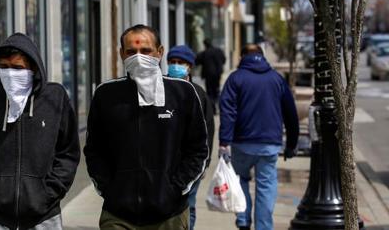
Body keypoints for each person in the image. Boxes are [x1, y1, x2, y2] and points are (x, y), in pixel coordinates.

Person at [85, 25, 209, 230]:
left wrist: (176, 187)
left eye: (146, 51)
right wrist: (109, 188)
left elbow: (198, 148)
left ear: (159, 52)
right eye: (131, 52)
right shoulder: (106, 95)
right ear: (121, 54)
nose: (139, 57)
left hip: (170, 214)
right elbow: (94, 149)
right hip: (118, 213)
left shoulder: (182, 93)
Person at [0, 33, 80, 230]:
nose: (10, 74)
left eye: (18, 68)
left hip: (45, 217)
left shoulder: (55, 97)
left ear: (33, 68)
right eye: (4, 67)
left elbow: (68, 152)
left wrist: (49, 193)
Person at [219, 44, 299, 230]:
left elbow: (228, 112)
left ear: (242, 57)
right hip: (270, 144)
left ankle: (243, 220)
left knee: (241, 180)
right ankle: (263, 227)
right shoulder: (276, 79)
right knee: (266, 187)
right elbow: (291, 114)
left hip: (242, 143)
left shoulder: (235, 78)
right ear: (262, 57)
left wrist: (224, 142)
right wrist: (291, 145)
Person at [166, 45, 215, 230]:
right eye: (172, 62)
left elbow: (208, 130)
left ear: (190, 67)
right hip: (165, 163)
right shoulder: (159, 90)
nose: (175, 66)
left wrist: (205, 162)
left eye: (181, 63)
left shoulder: (199, 94)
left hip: (190, 163)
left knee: (189, 205)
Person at [195, 38, 226, 104]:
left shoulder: (204, 53)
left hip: (208, 75)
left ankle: (212, 106)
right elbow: (223, 60)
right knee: (216, 89)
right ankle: (216, 102)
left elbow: (197, 61)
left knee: (210, 91)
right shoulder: (218, 51)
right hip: (217, 73)